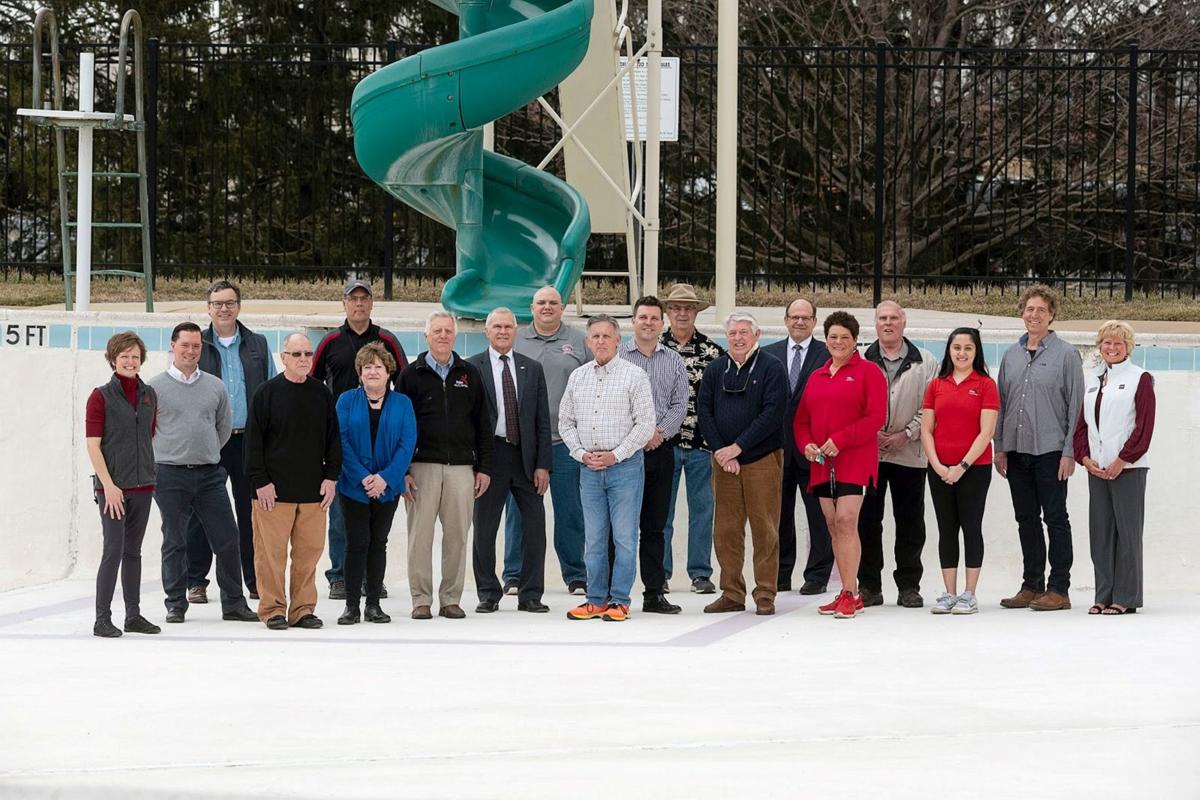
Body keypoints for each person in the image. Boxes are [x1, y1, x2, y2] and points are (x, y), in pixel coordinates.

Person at [149, 322, 257, 624]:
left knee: (227, 538)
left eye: (196, 346)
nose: (191, 351)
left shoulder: (215, 386)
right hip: (169, 474)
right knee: (175, 540)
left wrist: (205, 451)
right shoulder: (155, 387)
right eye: (185, 345)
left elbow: (223, 428)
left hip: (210, 474)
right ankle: (175, 603)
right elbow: (146, 430)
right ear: (173, 346)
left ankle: (234, 603)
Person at [311, 279, 408, 601]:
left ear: (371, 304)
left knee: (377, 523)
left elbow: (405, 384)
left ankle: (372, 577)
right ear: (344, 303)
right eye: (353, 299)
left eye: (364, 299)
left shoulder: (387, 340)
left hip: (381, 439)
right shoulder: (331, 342)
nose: (359, 304)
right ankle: (339, 576)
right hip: (343, 440)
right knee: (342, 516)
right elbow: (312, 387)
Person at [560, 315, 656, 622]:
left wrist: (615, 455)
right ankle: (596, 599)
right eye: (595, 336)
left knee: (625, 537)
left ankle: (620, 600)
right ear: (588, 342)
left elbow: (645, 425)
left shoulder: (634, 375)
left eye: (606, 336)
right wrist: (580, 453)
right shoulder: (578, 377)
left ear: (618, 340)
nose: (600, 341)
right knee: (595, 537)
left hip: (624, 468)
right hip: (588, 469)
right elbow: (566, 421)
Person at [397, 311, 492, 620]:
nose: (442, 336)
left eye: (448, 331)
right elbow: (399, 426)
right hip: (421, 467)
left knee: (457, 537)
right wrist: (403, 470)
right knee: (419, 538)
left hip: (461, 469)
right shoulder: (410, 375)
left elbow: (483, 423)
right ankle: (420, 600)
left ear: (455, 335)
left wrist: (484, 467)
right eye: (436, 330)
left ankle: (451, 598)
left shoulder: (470, 374)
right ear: (427, 336)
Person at [994, 284, 1084, 612]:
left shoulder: (1066, 354)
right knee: (1026, 518)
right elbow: (1001, 404)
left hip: (1051, 451)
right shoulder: (1011, 356)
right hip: (1017, 451)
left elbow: (1075, 406)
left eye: (1041, 310)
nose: (1034, 315)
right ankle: (1031, 585)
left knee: (1056, 518)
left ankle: (1059, 588)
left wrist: (1069, 451)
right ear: (1022, 313)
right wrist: (1000, 448)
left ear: (1052, 315)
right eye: (1029, 310)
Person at [186, 280, 276, 605]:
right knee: (200, 512)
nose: (223, 308)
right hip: (208, 442)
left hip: (247, 442)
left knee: (251, 511)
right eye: (217, 303)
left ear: (239, 306)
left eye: (229, 302)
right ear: (208, 308)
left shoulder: (258, 344)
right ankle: (196, 580)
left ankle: (254, 580)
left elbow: (270, 394)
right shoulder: (197, 344)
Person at [794, 311, 888, 619]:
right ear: (826, 340)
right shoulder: (817, 375)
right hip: (822, 461)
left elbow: (875, 417)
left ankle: (851, 592)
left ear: (855, 340)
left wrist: (842, 439)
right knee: (834, 525)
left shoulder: (869, 372)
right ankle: (847, 590)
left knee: (847, 521)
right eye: (833, 337)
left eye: (844, 338)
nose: (838, 342)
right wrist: (807, 444)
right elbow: (802, 419)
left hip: (854, 459)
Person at [245, 333, 342, 630]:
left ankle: (302, 610)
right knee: (270, 556)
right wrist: (261, 481)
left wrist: (331, 478)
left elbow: (333, 439)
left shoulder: (322, 393)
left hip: (312, 492)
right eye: (296, 354)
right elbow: (253, 442)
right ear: (283, 357)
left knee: (307, 556)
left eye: (307, 354)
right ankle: (273, 609)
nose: (303, 359)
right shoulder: (266, 393)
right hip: (272, 493)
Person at [697, 312, 789, 616]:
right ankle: (732, 592)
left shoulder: (772, 368)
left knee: (765, 528)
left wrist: (739, 448)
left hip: (761, 459)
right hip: (725, 463)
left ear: (757, 334)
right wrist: (722, 451)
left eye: (743, 332)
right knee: (725, 529)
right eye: (732, 333)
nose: (738, 338)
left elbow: (772, 414)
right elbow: (705, 412)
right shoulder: (714, 370)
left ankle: (765, 593)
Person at [504, 286, 591, 596]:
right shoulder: (518, 339)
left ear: (563, 306)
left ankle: (576, 575)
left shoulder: (579, 340)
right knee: (519, 510)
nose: (547, 307)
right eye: (541, 302)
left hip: (567, 443)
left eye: (553, 302)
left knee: (570, 511)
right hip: (525, 445)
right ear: (532, 307)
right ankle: (514, 574)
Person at [469, 308, 553, 614]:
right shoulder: (472, 367)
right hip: (490, 456)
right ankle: (488, 592)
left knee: (535, 526)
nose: (503, 331)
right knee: (484, 527)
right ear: (487, 331)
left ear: (515, 331)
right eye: (497, 327)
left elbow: (542, 420)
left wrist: (543, 464)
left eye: (508, 326)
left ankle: (530, 594)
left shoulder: (531, 368)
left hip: (525, 456)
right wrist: (477, 465)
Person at [858, 301, 937, 608]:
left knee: (910, 523)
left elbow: (931, 406)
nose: (888, 323)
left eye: (893, 318)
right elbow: (854, 403)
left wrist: (907, 433)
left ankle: (908, 586)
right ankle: (869, 586)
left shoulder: (925, 361)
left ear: (904, 322)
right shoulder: (862, 358)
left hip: (910, 455)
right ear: (875, 324)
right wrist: (871, 432)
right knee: (867, 522)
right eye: (882, 318)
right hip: (869, 455)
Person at [1073, 321, 1155, 615]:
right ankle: (1103, 594)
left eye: (1118, 343)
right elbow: (1081, 425)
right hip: (1097, 469)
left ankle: (1126, 597)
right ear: (1100, 346)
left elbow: (1143, 428)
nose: (1112, 348)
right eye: (1107, 342)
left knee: (1127, 533)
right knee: (1102, 532)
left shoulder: (1140, 378)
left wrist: (1122, 460)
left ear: (1128, 347)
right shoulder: (1093, 379)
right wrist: (1084, 458)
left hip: (1128, 469)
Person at [85, 332, 161, 638]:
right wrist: (109, 486)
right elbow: (93, 445)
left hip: (143, 486)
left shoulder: (149, 394)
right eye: (124, 356)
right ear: (113, 360)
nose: (130, 361)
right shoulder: (100, 396)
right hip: (112, 489)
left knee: (134, 551)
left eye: (134, 356)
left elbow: (148, 434)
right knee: (113, 550)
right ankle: (102, 618)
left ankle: (134, 615)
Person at [335, 342, 417, 625]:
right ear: (359, 372)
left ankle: (373, 605)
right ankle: (351, 607)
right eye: (367, 367)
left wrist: (384, 478)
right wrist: (363, 477)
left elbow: (407, 445)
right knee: (356, 542)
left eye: (378, 367)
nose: (372, 371)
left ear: (388, 372)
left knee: (377, 543)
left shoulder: (403, 404)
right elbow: (341, 442)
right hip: (352, 486)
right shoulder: (346, 401)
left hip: (387, 488)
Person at [920, 327, 999, 615]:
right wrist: (939, 466)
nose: (962, 353)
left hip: (974, 470)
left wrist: (962, 466)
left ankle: (969, 593)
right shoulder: (936, 385)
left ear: (976, 352)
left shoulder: (986, 384)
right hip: (940, 470)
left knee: (971, 527)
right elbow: (926, 430)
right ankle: (949, 593)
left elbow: (986, 431)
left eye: (968, 348)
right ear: (949, 351)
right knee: (946, 529)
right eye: (957, 348)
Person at [620, 296, 689, 614]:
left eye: (654, 318)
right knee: (617, 526)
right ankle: (611, 591)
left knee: (654, 526)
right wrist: (637, 436)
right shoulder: (617, 356)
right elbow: (611, 402)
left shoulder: (673, 360)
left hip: (661, 451)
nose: (648, 323)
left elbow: (680, 404)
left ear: (663, 324)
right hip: (623, 454)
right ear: (633, 321)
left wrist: (657, 433)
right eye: (642, 317)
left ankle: (653, 593)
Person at [763, 297, 832, 594]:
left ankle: (817, 575)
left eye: (806, 317)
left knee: (819, 516)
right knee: (778, 516)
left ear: (815, 321)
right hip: (776, 450)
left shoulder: (828, 353)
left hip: (814, 450)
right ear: (786, 320)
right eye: (794, 317)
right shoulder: (768, 354)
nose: (799, 322)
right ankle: (780, 573)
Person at [660, 283, 722, 595]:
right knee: (662, 512)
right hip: (662, 445)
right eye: (676, 307)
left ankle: (700, 573)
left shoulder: (713, 352)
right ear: (667, 312)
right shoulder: (652, 348)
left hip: (702, 445)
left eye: (688, 308)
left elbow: (722, 402)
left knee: (702, 511)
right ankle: (662, 572)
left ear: (696, 312)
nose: (682, 313)